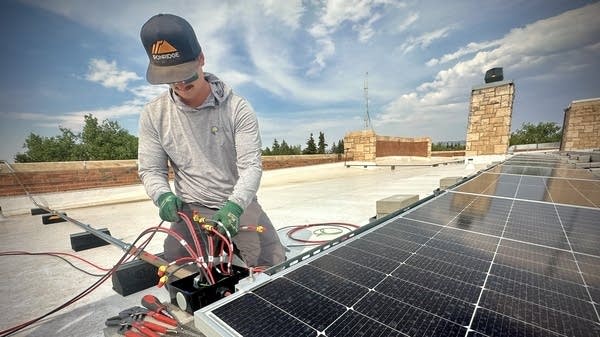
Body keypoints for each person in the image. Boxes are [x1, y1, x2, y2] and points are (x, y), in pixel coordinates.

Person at [137, 13, 285, 268]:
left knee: (270, 264)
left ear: (201, 59)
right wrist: (162, 196)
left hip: (236, 202)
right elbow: (151, 169)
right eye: (171, 78)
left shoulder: (237, 108)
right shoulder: (153, 114)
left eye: (185, 74)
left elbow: (251, 167)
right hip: (190, 205)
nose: (180, 85)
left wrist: (235, 207)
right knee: (181, 270)